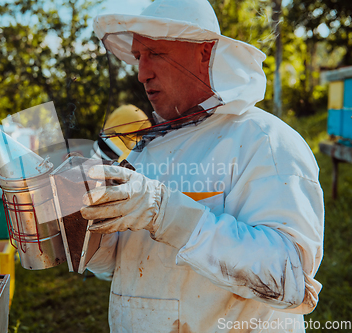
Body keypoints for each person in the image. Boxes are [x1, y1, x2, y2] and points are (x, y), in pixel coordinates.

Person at [80, 0, 325, 332]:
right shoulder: (146, 149)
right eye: (139, 57)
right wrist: (81, 224)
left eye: (156, 53)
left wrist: (167, 213)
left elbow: (289, 280)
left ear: (205, 52)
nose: (142, 73)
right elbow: (121, 263)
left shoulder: (266, 141)